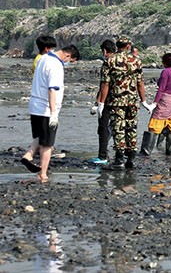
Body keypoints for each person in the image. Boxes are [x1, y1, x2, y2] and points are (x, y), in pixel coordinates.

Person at [20, 45, 80, 182]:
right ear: (67, 56)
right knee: (47, 144)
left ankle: (28, 156)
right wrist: (53, 114)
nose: (68, 64)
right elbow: (52, 90)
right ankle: (43, 174)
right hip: (46, 107)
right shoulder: (56, 65)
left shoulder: (43, 58)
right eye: (70, 62)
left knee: (40, 136)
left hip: (34, 104)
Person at [99, 36, 153, 169]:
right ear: (128, 46)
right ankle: (131, 157)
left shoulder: (109, 61)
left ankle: (119, 159)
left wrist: (101, 103)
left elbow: (105, 84)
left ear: (117, 46)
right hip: (132, 101)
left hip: (116, 101)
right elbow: (140, 82)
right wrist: (144, 101)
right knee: (131, 127)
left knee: (118, 129)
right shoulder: (136, 61)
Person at [142, 53, 171, 156]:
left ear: (165, 62)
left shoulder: (166, 72)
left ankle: (146, 152)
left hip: (165, 101)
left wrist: (154, 103)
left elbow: (161, 89)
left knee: (155, 124)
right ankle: (169, 151)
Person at [88, 39, 117, 164]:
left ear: (105, 51)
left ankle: (102, 156)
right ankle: (122, 156)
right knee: (120, 128)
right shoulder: (127, 62)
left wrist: (99, 103)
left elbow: (104, 85)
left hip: (108, 101)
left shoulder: (107, 63)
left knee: (103, 128)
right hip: (123, 101)